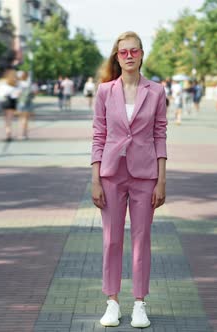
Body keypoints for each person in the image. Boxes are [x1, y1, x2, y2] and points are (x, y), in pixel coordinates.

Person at [91, 31, 167, 329]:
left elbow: (160, 134)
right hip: (110, 174)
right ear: (117, 56)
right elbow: (98, 136)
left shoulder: (157, 91)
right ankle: (112, 302)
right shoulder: (105, 91)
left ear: (142, 54)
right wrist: (95, 177)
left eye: (134, 51)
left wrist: (162, 179)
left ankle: (139, 304)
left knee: (141, 239)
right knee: (111, 240)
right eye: (124, 52)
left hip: (145, 175)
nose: (130, 56)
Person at [0, 69, 20, 142]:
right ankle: (9, 133)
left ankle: (8, 133)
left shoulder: (2, 82)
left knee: (6, 119)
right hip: (12, 101)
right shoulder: (16, 83)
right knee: (9, 119)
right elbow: (17, 94)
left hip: (5, 101)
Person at [17, 71, 34, 140]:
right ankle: (25, 134)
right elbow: (34, 92)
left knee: (21, 119)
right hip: (28, 102)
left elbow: (17, 94)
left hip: (21, 102)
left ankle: (21, 134)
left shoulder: (19, 84)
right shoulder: (29, 83)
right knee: (26, 119)